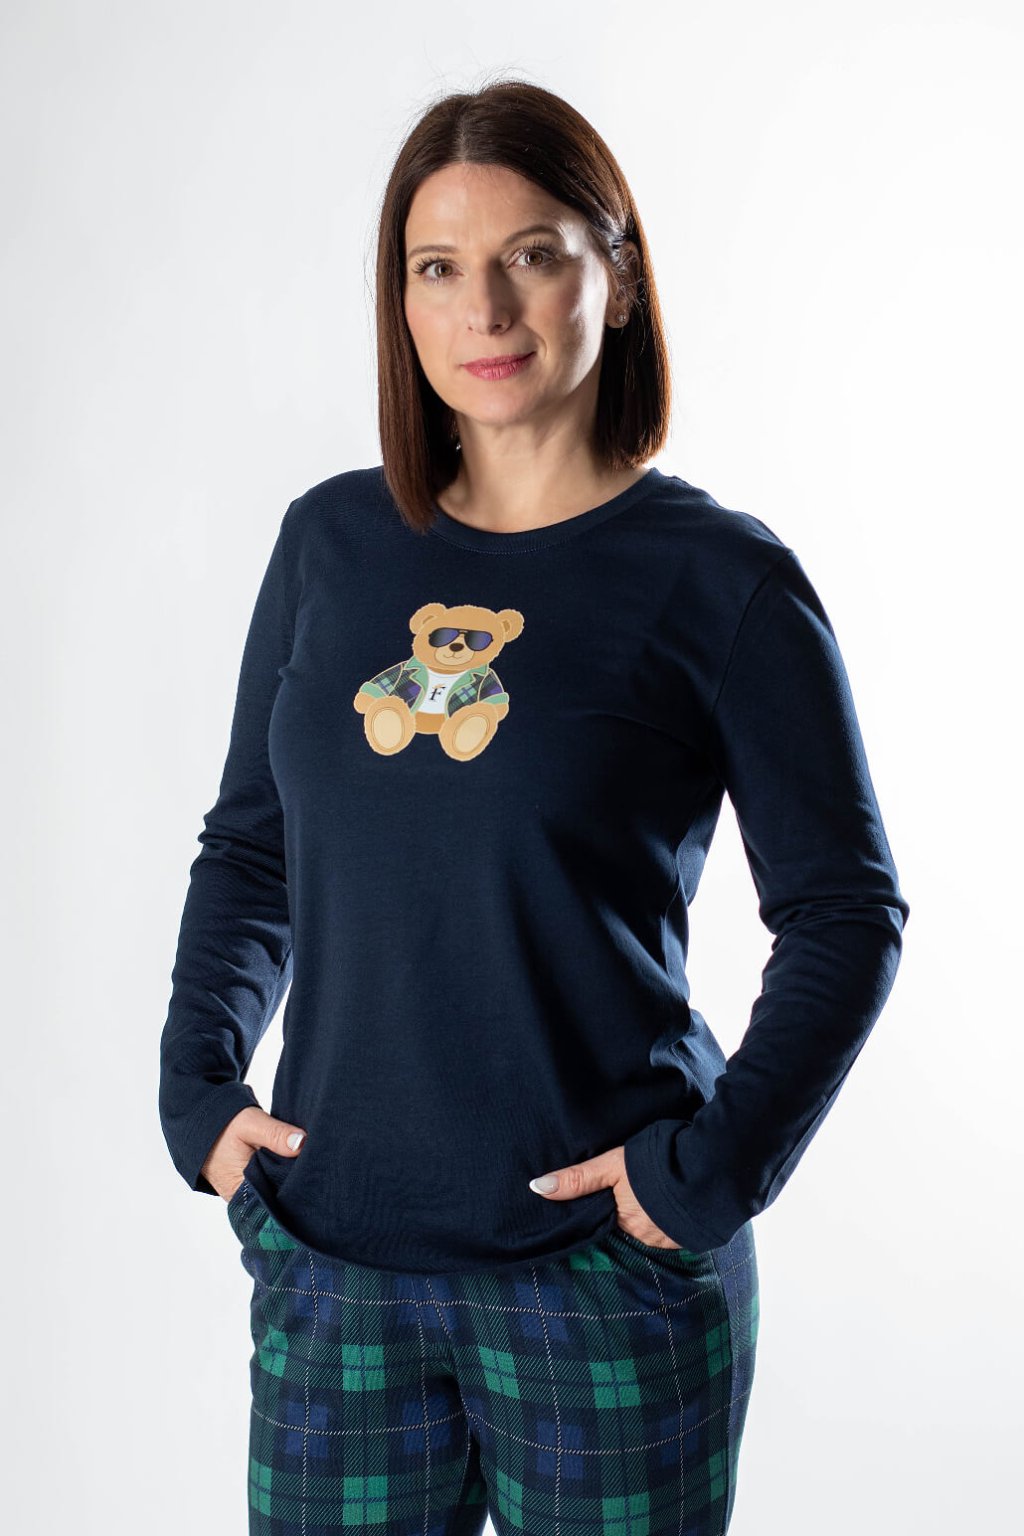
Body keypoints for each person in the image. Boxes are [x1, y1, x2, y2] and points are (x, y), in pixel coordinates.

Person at [159, 76, 909, 1536]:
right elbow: (252, 851)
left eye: (533, 255)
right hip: (332, 1273)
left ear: (615, 273)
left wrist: (708, 1175)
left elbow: (845, 913)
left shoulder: (722, 581)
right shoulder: (329, 544)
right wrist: (198, 1089)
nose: (485, 310)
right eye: (438, 267)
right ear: (399, 301)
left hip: (603, 1280)